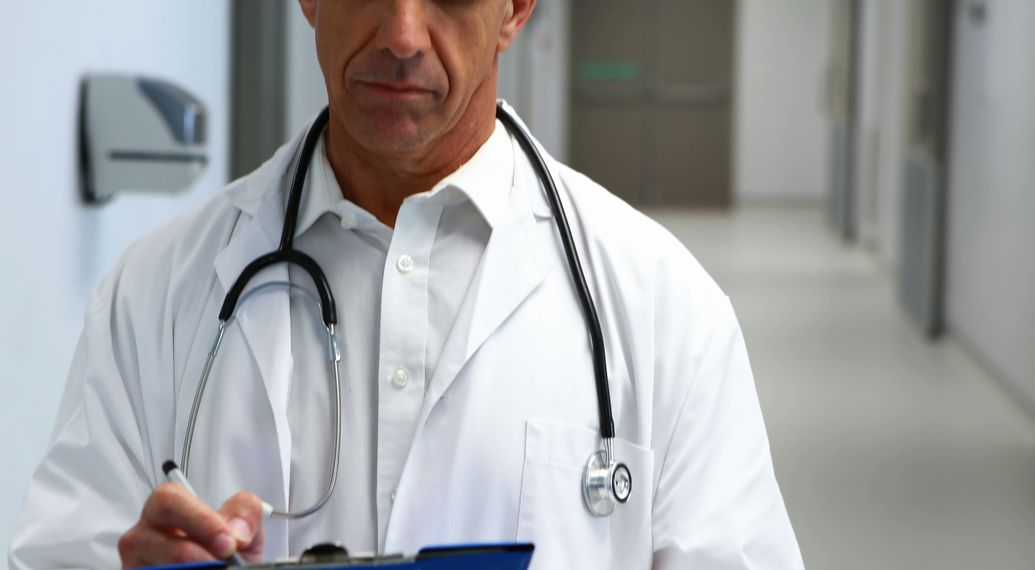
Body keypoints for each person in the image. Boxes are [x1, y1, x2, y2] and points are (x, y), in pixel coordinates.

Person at [9, 0, 803, 568]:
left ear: (517, 9)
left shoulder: (665, 308)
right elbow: (61, 551)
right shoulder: (154, 292)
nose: (402, 34)